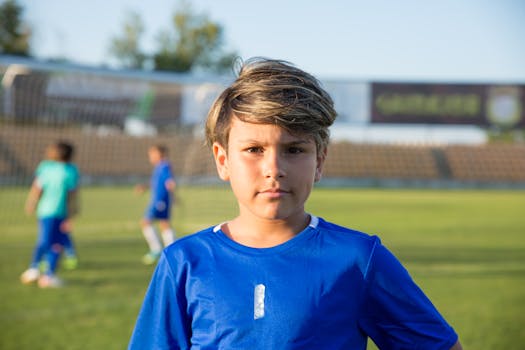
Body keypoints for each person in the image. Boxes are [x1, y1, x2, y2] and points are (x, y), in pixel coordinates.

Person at [129, 58, 463, 349]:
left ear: (319, 160)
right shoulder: (184, 263)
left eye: (294, 149)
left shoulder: (358, 259)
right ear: (222, 160)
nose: (273, 168)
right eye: (254, 150)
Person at [20, 141, 79, 288]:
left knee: (44, 240)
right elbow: (71, 195)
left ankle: (35, 269)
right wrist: (71, 215)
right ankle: (47, 275)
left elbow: (37, 188)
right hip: (59, 213)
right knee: (56, 244)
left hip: (44, 211)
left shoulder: (45, 167)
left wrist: (31, 203)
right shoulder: (70, 171)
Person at [136, 144, 177, 265]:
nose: (151, 157)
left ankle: (156, 250)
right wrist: (145, 187)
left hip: (160, 200)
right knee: (164, 223)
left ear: (161, 154)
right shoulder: (159, 167)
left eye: (153, 154)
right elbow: (158, 183)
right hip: (161, 200)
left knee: (146, 222)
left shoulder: (164, 165)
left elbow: (170, 182)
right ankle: (171, 250)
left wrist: (173, 195)